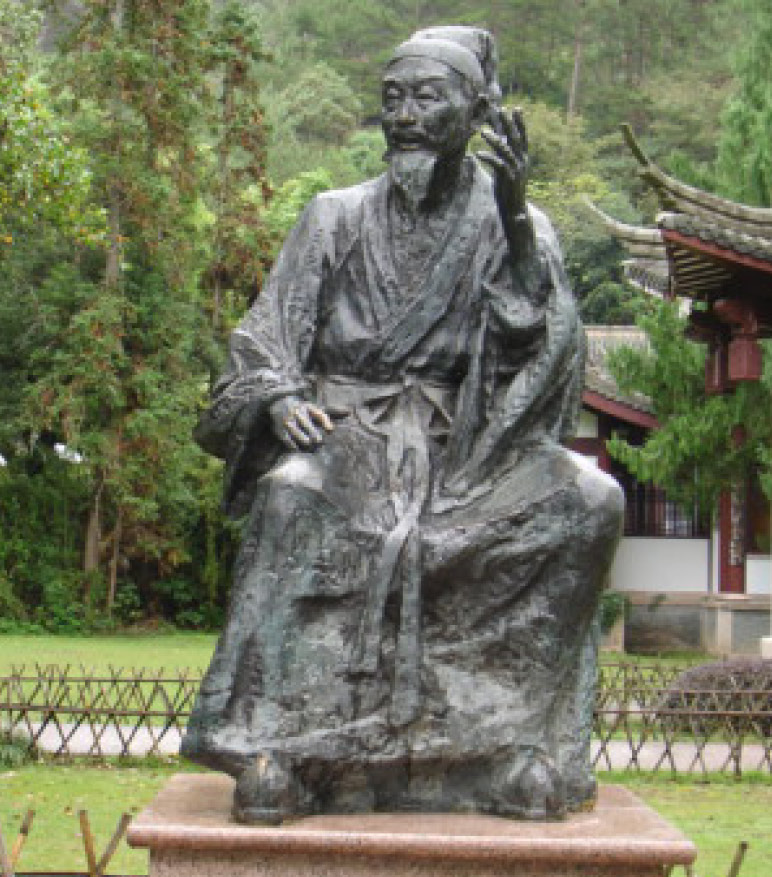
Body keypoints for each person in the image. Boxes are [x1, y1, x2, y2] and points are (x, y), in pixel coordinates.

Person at [182, 27, 624, 824]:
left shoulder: (516, 220)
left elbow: (540, 351)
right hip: (347, 434)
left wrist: (519, 228)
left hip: (471, 449)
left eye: (428, 98)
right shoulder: (332, 217)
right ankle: (279, 747)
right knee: (289, 495)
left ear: (476, 111)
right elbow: (262, 336)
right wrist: (279, 397)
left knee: (588, 503)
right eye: (394, 99)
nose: (406, 116)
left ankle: (508, 745)